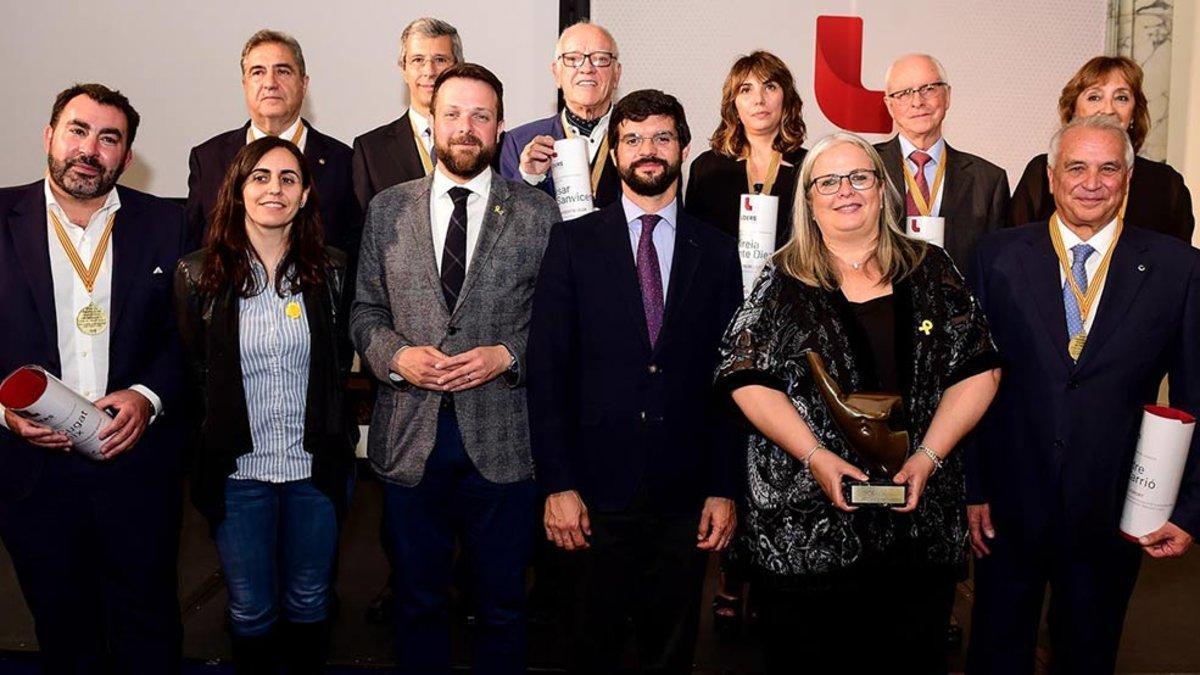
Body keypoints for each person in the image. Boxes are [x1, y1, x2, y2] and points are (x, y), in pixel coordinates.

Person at [714, 132, 1001, 674]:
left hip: (917, 526)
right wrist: (817, 459)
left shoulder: (932, 268)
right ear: (809, 199)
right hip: (807, 533)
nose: (846, 191)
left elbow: (979, 369)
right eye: (828, 181)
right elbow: (744, 377)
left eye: (859, 177)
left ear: (881, 189)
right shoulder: (781, 279)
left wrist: (928, 457)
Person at [966, 115, 1200, 674]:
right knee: (997, 652)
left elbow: (1195, 394)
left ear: (1128, 178)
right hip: (1008, 503)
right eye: (1076, 167)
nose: (1091, 182)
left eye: (1108, 168)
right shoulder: (994, 257)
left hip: (1115, 505)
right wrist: (972, 486)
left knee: (1089, 655)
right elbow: (967, 384)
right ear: (1051, 177)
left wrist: (1190, 509)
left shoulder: (1177, 268)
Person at [350, 63, 558, 675]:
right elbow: (364, 310)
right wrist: (395, 356)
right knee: (417, 603)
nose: (466, 129)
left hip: (503, 441)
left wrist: (507, 354)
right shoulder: (388, 210)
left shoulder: (537, 213)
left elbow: (557, 321)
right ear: (432, 121)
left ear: (499, 127)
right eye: (453, 115)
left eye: (481, 116)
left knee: (501, 606)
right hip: (409, 438)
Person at [528, 89, 744, 675]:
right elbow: (546, 371)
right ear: (615, 153)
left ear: (683, 147)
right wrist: (558, 484)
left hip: (686, 496)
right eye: (633, 139)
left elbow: (733, 383)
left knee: (670, 652)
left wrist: (724, 487)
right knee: (586, 646)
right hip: (594, 492)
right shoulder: (572, 243)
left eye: (662, 138)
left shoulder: (720, 253)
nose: (648, 151)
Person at [0, 84, 188, 673]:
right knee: (63, 630)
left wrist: (147, 395)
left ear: (127, 157)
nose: (90, 149)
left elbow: (190, 340)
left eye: (109, 138)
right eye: (78, 131)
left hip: (137, 467)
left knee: (149, 627)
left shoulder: (171, 224)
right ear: (49, 137)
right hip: (33, 475)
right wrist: (2, 411)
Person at [174, 136, 357, 674]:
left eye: (287, 178)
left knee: (309, 601)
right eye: (260, 177)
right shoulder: (196, 275)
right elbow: (191, 373)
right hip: (238, 473)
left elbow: (340, 358)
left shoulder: (333, 271)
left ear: (304, 196)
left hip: (313, 469)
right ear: (237, 191)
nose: (273, 188)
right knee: (251, 610)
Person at [186, 29, 361, 257]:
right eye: (258, 72)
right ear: (244, 84)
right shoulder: (208, 159)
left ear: (304, 84)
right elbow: (194, 250)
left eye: (283, 71)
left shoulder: (343, 161)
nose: (270, 83)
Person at [1009, 55, 1194, 242]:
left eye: (1121, 98)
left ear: (1133, 113)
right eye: (1094, 97)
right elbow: (1013, 250)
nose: (1107, 109)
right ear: (1073, 110)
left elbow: (1180, 263)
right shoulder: (1041, 171)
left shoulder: (1166, 184)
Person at [875, 53, 1009, 271]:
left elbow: (997, 268)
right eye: (904, 94)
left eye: (928, 89)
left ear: (947, 96)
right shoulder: (865, 168)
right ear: (889, 105)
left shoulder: (988, 181)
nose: (917, 102)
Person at [684, 50, 807, 250]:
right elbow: (693, 244)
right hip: (721, 280)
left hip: (791, 279)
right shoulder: (706, 168)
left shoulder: (810, 166)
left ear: (786, 99)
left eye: (770, 87)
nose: (759, 99)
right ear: (733, 105)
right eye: (746, 89)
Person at [499, 20, 623, 208]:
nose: (587, 68)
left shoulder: (641, 142)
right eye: (573, 59)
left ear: (616, 75)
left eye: (600, 59)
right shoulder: (518, 143)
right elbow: (503, 224)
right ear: (556, 73)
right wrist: (528, 177)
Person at [352, 17, 463, 211]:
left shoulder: (483, 139)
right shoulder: (370, 150)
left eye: (440, 60)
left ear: (458, 67)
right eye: (418, 60)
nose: (429, 71)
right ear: (403, 69)